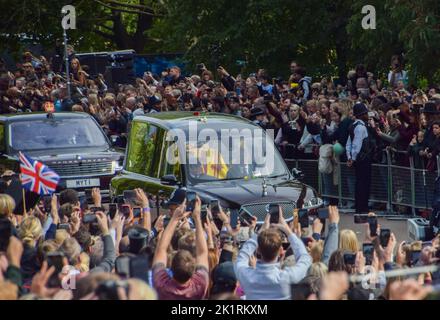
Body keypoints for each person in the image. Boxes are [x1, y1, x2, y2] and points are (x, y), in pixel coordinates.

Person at [234, 206, 312, 300]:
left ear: (258, 250)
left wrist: (260, 232)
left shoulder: (248, 276)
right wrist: (287, 230)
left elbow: (242, 256)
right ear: (280, 251)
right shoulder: (287, 278)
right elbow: (305, 259)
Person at [346, 102, 374, 214]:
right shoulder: (361, 127)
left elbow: (349, 143)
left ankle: (360, 207)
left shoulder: (352, 126)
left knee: (359, 183)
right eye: (366, 113)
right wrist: (353, 158)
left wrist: (349, 157)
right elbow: (356, 145)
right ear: (362, 114)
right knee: (364, 184)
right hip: (363, 159)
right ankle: (362, 208)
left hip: (357, 159)